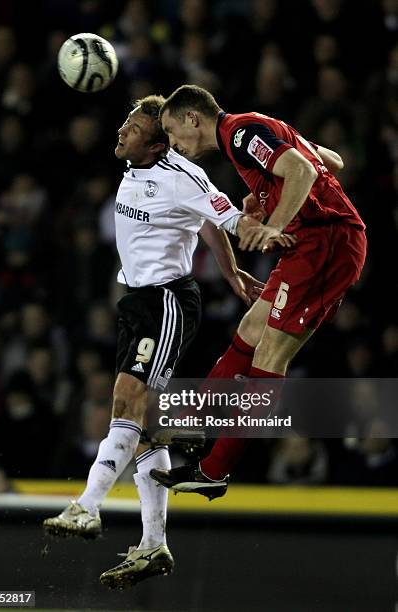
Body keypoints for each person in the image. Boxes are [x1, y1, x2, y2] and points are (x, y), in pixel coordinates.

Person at [43, 95, 272, 590]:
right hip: (136, 305)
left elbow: (226, 217)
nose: (122, 130)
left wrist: (261, 233)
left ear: (159, 140)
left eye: (133, 126)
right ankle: (153, 543)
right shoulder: (132, 168)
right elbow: (204, 224)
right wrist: (231, 273)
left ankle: (87, 506)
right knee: (144, 424)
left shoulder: (182, 176)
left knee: (127, 400)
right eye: (126, 121)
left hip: (167, 303)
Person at [150, 84, 367, 499]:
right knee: (251, 329)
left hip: (325, 244)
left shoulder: (240, 134)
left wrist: (275, 223)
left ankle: (214, 470)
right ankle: (195, 420)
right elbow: (329, 161)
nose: (173, 143)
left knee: (270, 355)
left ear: (193, 118)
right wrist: (267, 195)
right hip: (314, 242)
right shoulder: (254, 132)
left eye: (172, 130)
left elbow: (302, 172)